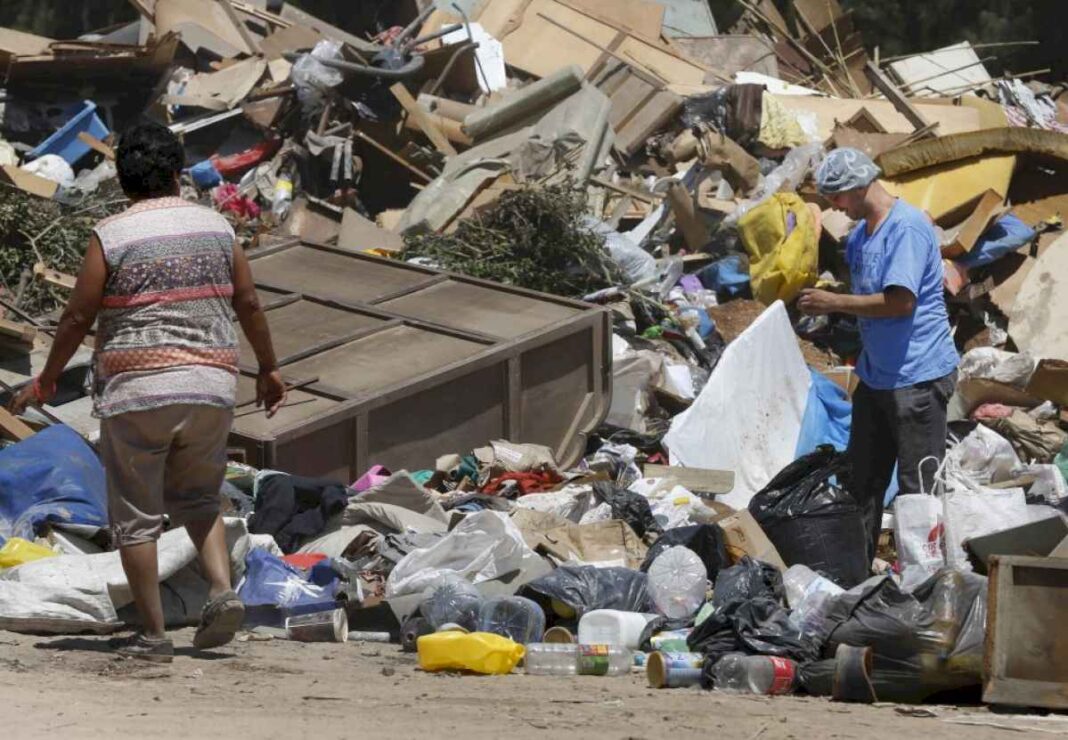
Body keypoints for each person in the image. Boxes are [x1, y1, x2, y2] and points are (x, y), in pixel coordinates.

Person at [8, 122, 287, 663]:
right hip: (209, 385)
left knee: (136, 516)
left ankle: (154, 636)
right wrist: (269, 369)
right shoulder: (218, 228)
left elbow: (78, 315)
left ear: (122, 177)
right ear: (179, 174)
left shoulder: (111, 234)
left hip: (137, 390)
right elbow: (249, 304)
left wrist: (46, 379)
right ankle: (222, 592)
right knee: (200, 498)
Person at [798, 147, 959, 562]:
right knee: (863, 479)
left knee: (917, 489)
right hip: (876, 376)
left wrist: (834, 303)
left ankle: (921, 586)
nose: (834, 206)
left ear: (856, 188)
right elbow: (864, 296)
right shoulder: (860, 236)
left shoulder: (905, 229)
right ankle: (855, 573)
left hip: (917, 377)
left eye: (835, 197)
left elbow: (898, 303)